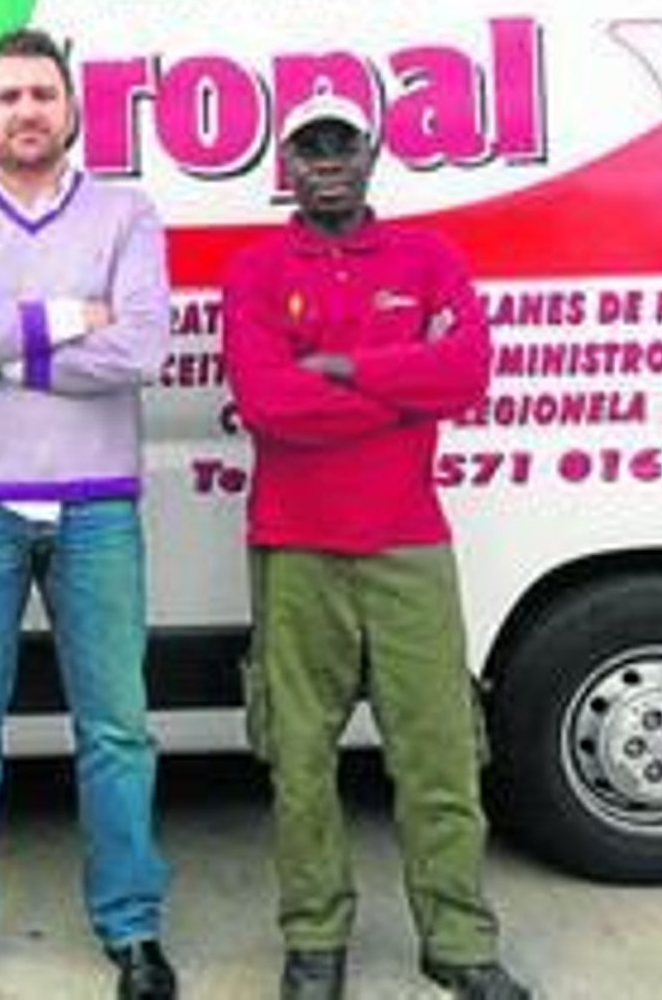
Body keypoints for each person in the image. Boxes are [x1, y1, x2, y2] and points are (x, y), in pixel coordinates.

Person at [221, 94, 530, 1000]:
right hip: (296, 547)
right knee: (301, 761)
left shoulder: (428, 257)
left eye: (342, 144)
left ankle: (459, 942)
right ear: (286, 164)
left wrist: (349, 365)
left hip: (408, 544)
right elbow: (269, 402)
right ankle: (315, 939)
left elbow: (467, 373)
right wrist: (403, 393)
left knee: (439, 754)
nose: (327, 161)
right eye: (309, 147)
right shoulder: (256, 270)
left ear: (371, 154)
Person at [0, 27, 177, 1000]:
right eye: (8, 95)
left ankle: (133, 930)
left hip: (95, 504)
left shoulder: (125, 212)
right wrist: (69, 316)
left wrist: (2, 351)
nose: (27, 110)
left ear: (70, 109)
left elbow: (140, 347)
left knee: (117, 727)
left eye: (43, 94)